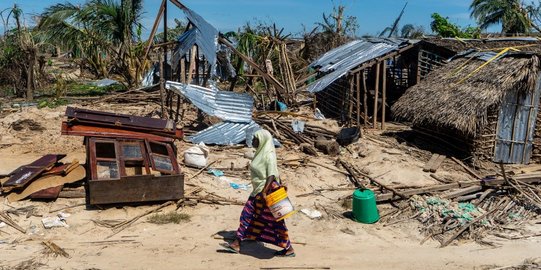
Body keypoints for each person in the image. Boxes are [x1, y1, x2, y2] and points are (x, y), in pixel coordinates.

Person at [220, 129, 295, 257]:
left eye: (256, 139)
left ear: (263, 141)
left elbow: (271, 175)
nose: (253, 141)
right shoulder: (260, 153)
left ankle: (237, 243)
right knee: (253, 217)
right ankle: (237, 243)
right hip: (258, 191)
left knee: (260, 218)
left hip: (264, 193)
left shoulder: (269, 154)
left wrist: (264, 193)